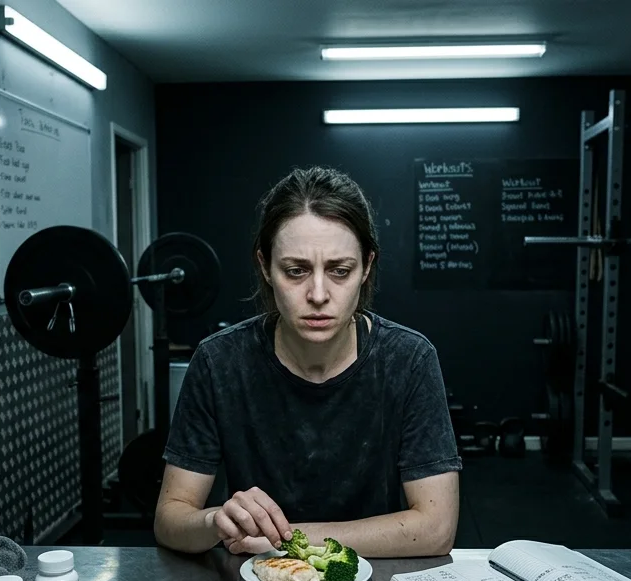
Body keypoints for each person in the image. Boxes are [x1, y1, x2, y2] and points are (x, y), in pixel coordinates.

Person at [153, 166, 461, 559]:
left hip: (372, 578)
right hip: (251, 579)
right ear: (265, 267)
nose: (318, 294)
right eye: (296, 271)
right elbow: (170, 520)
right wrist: (215, 521)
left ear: (366, 266)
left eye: (340, 271)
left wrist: (286, 539)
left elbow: (436, 528)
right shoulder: (219, 361)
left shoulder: (409, 360)